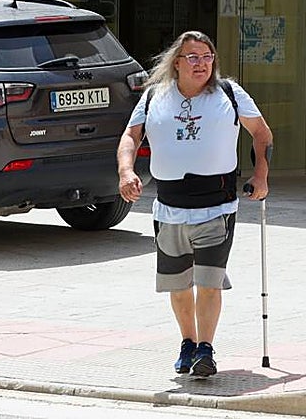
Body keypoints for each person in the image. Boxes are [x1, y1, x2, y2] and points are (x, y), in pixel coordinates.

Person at [116, 31, 272, 378]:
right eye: (193, 57)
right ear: (177, 62)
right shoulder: (156, 95)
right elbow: (130, 135)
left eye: (207, 56)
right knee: (178, 284)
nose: (202, 63)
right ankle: (188, 342)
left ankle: (206, 348)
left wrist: (261, 176)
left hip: (217, 206)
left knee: (209, 281)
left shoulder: (229, 94)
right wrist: (126, 170)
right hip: (169, 205)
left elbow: (262, 134)